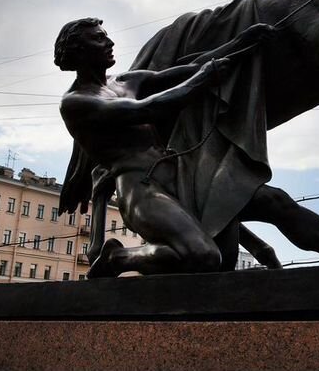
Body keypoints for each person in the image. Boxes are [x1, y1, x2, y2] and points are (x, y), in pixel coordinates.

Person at [55, 17, 274, 277]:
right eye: (100, 38)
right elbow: (148, 108)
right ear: (79, 50)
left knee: (273, 204)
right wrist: (202, 80)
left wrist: (243, 41)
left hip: (175, 177)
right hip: (140, 188)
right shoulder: (76, 102)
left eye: (106, 36)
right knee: (204, 256)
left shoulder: (125, 81)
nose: (110, 42)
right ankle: (118, 258)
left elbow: (190, 68)